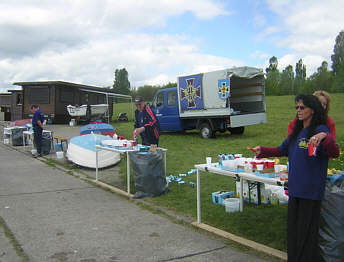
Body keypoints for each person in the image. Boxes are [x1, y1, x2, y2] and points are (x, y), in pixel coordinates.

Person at [248, 94, 339, 262]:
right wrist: (263, 151)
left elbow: (334, 151)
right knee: (294, 233)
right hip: (295, 189)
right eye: (297, 107)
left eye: (302, 107)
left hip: (310, 192)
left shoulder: (320, 130)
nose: (298, 110)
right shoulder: (297, 132)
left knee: (306, 235)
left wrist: (324, 138)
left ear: (312, 110)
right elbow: (281, 149)